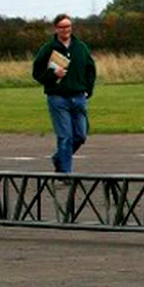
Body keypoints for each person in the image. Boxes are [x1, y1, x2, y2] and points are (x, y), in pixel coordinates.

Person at [32, 14, 96, 174]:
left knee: (80, 135)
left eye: (68, 26)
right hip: (58, 98)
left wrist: (88, 88)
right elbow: (37, 72)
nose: (65, 29)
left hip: (79, 97)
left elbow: (90, 69)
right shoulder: (48, 48)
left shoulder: (81, 47)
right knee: (65, 136)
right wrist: (54, 75)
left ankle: (59, 157)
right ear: (56, 29)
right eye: (62, 27)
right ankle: (65, 173)